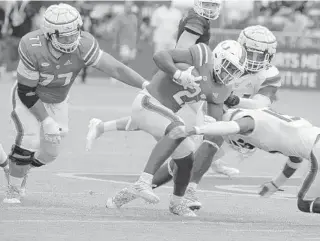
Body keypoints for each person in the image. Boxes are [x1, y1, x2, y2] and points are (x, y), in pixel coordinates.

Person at [1, 3, 149, 204]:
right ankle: (13, 189)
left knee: (50, 153)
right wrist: (45, 120)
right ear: (49, 34)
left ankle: (16, 167)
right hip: (30, 98)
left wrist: (145, 84)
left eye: (74, 34)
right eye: (64, 36)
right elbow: (26, 91)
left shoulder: (84, 44)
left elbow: (115, 69)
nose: (71, 40)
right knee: (29, 140)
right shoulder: (31, 45)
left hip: (58, 101)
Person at [85, 0, 238, 176]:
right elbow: (183, 48)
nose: (210, 9)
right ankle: (211, 160)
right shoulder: (198, 20)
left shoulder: (195, 16)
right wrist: (190, 73)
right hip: (187, 72)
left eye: (213, 5)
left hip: (186, 70)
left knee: (147, 117)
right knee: (204, 115)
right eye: (207, 4)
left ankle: (101, 126)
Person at [150, 25, 288, 210]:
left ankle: (145, 184)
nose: (255, 60)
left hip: (237, 121)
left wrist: (234, 99)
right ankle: (188, 192)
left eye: (260, 56)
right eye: (251, 54)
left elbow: (261, 104)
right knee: (207, 145)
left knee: (185, 162)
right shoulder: (226, 56)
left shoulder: (269, 74)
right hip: (214, 107)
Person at [104, 40, 247, 217]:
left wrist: (212, 128)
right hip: (148, 101)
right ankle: (143, 182)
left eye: (235, 71)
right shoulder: (202, 55)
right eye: (228, 66)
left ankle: (174, 203)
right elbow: (160, 56)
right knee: (178, 127)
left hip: (164, 115)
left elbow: (214, 120)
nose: (229, 73)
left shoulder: (222, 89)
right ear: (218, 57)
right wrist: (178, 73)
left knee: (187, 156)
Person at [168, 107, 320, 226]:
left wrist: (193, 129)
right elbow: (295, 158)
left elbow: (233, 126)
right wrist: (275, 184)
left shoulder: (249, 123)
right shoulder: (270, 119)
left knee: (305, 202)